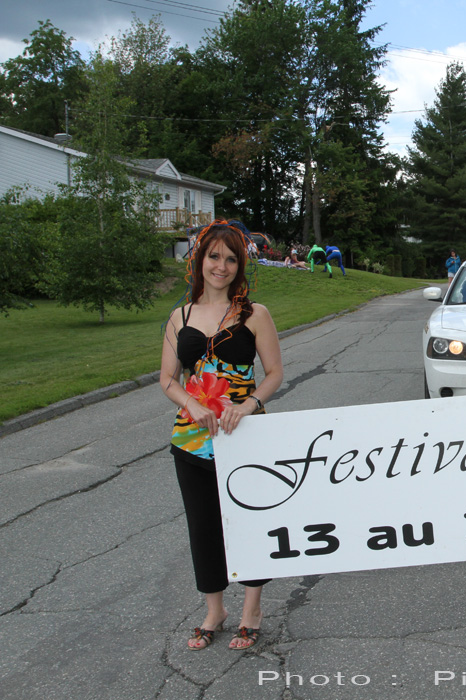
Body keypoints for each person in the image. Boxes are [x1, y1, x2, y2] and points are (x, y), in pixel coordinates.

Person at [160, 221, 284, 651]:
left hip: (244, 434)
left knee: (249, 520)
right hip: (192, 438)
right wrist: (191, 404)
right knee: (204, 526)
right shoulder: (181, 317)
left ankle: (252, 608)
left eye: (231, 258)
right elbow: (167, 378)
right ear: (200, 259)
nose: (222, 266)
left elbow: (274, 374)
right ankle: (215, 609)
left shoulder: (255, 314)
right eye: (214, 256)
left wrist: (248, 405)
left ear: (240, 265)